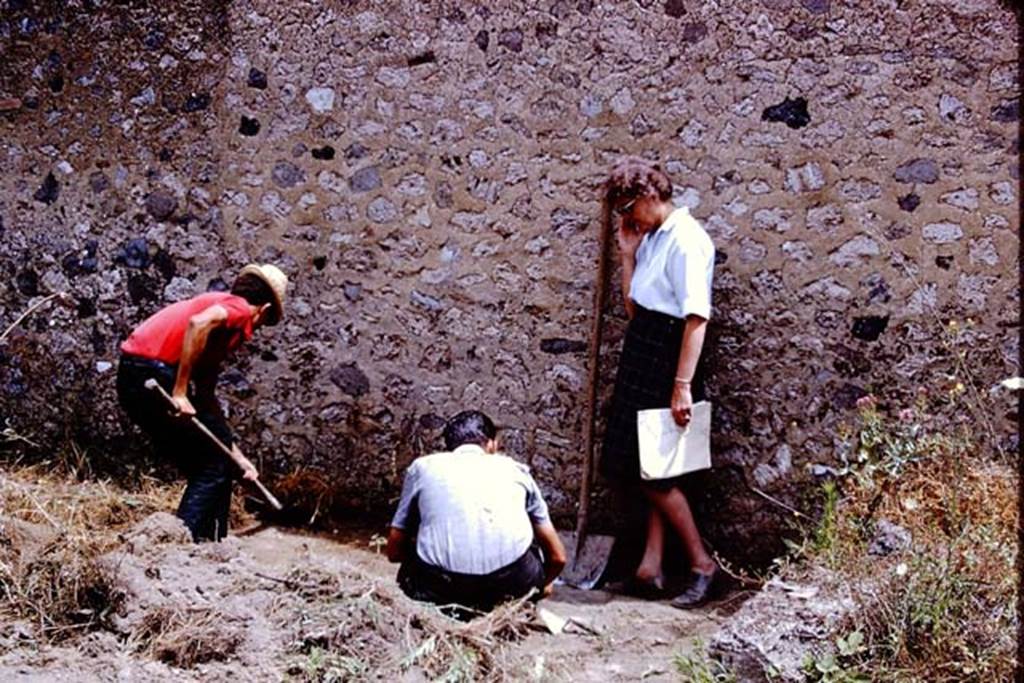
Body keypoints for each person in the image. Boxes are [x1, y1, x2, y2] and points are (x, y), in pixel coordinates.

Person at [599, 157, 718, 609]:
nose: (626, 217)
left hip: (670, 354)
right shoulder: (650, 239)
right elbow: (634, 308)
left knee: (655, 471)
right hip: (644, 343)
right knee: (647, 465)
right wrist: (628, 256)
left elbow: (696, 319)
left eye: (629, 206)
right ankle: (650, 566)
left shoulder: (688, 240)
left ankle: (702, 564)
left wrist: (682, 384)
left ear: (651, 195)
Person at [116, 264, 287, 542]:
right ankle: (180, 545)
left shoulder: (218, 336)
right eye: (264, 323)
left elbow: (206, 400)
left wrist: (239, 460)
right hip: (153, 373)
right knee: (212, 466)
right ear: (264, 310)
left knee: (218, 462)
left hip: (134, 376)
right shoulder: (239, 309)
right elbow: (199, 323)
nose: (255, 331)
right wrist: (181, 392)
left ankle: (212, 542)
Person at [387, 410, 567, 615]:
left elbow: (394, 550)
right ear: (491, 444)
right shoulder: (516, 470)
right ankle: (514, 603)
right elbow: (558, 558)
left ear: (449, 447)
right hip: (510, 588)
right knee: (529, 530)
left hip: (441, 591)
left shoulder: (422, 468)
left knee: (419, 531)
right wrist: (542, 585)